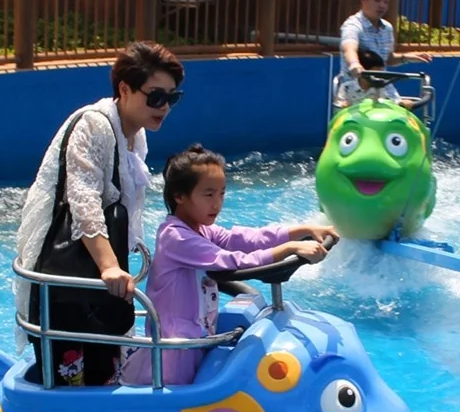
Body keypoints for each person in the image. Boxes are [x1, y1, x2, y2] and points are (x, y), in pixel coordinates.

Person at [15, 41, 183, 386]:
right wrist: (109, 266)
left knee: (106, 374)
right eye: (155, 96)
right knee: (73, 382)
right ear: (124, 88)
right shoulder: (94, 125)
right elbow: (83, 200)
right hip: (71, 286)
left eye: (172, 97)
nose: (164, 106)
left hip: (97, 287)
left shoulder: (134, 137)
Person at [121, 146, 334, 386]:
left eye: (222, 193)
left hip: (197, 338)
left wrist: (303, 230)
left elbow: (243, 239)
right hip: (177, 351)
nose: (217, 203)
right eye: (208, 194)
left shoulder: (201, 229)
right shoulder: (175, 237)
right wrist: (289, 250)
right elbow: (229, 262)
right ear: (179, 196)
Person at [335, 0, 429, 109]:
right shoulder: (353, 25)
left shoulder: (387, 28)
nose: (382, 5)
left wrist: (406, 57)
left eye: (386, 1)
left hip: (384, 93)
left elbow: (388, 59)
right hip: (355, 95)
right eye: (377, 0)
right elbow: (349, 49)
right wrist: (354, 64)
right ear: (363, 0)